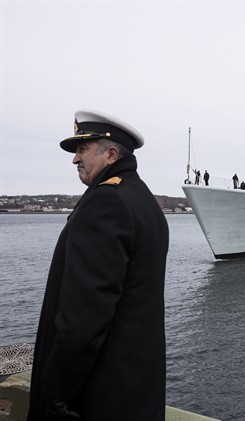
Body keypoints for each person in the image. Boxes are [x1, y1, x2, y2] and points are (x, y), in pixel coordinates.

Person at [28, 109, 169, 421]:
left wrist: (56, 392)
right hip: (135, 390)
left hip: (97, 397)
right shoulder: (144, 202)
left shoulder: (106, 203)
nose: (75, 159)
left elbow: (84, 318)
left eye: (82, 149)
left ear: (111, 154)